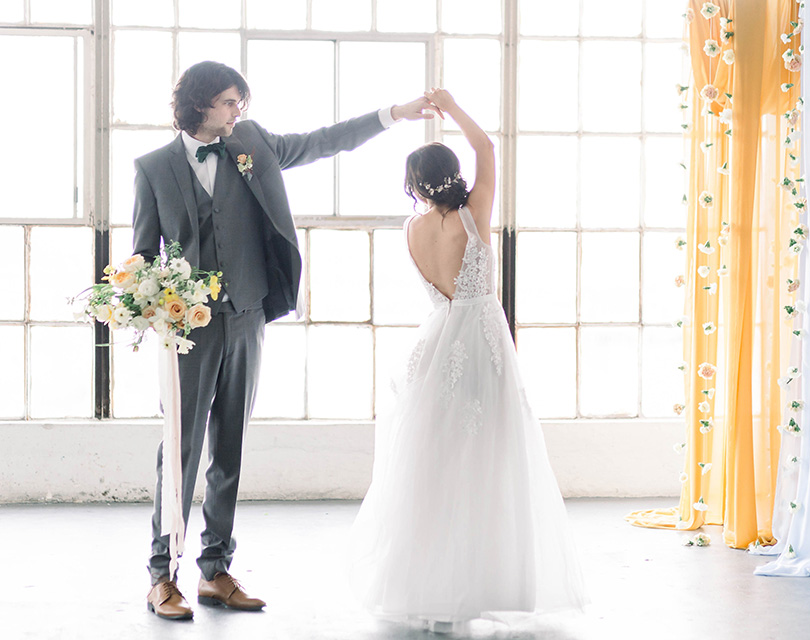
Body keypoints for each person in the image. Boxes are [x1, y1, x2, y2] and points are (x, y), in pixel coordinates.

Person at [132, 61, 438, 621]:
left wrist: (393, 114)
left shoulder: (252, 143)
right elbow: (143, 256)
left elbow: (323, 142)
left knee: (230, 448)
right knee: (178, 450)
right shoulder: (152, 168)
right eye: (228, 103)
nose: (237, 112)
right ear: (200, 104)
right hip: (187, 331)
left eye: (239, 104)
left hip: (247, 315)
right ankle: (161, 574)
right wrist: (150, 304)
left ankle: (215, 569)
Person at [349, 89, 586, 633]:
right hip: (479, 342)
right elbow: (487, 147)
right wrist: (450, 108)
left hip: (433, 346)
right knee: (493, 460)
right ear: (452, 174)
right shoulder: (471, 213)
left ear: (412, 184)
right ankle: (487, 577)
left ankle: (430, 580)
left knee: (434, 465)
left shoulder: (412, 229)